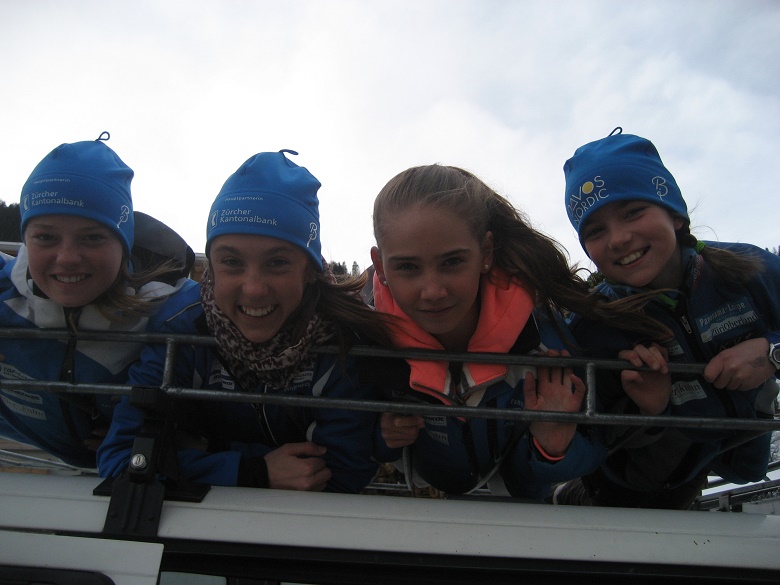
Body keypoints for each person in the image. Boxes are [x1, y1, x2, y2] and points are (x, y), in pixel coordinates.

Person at [98, 150, 395, 493]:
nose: (253, 289)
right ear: (211, 268)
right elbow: (122, 458)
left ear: (310, 271)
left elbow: (341, 475)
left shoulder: (341, 342)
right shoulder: (179, 330)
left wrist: (198, 452)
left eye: (277, 263)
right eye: (232, 262)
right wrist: (252, 470)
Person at [368, 164, 667, 500]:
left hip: (525, 509)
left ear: (486, 253)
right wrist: (383, 437)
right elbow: (350, 441)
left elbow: (599, 445)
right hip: (424, 506)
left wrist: (553, 446)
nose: (433, 291)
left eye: (452, 262)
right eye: (407, 267)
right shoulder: (368, 342)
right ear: (381, 266)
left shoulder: (544, 342)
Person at [557, 127, 780, 508]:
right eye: (595, 230)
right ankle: (569, 499)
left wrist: (772, 353)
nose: (618, 238)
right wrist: (648, 410)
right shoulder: (594, 324)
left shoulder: (750, 270)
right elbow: (584, 433)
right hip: (630, 486)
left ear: (675, 215)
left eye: (633, 212)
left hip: (740, 455)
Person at [0, 133, 194, 468]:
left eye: (92, 237)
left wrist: (156, 436)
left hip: (118, 469)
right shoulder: (4, 291)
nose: (67, 258)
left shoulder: (169, 312)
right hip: (32, 454)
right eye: (45, 237)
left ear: (124, 244)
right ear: (26, 241)